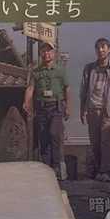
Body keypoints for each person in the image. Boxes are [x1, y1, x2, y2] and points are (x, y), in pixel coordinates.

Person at [24, 43, 69, 179]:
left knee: (54, 134)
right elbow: (30, 88)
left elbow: (67, 89)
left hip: (56, 107)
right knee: (43, 138)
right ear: (40, 54)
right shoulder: (36, 71)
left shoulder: (60, 70)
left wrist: (68, 107)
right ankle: (47, 170)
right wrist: (27, 102)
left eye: (49, 51)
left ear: (53, 53)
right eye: (43, 51)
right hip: (41, 108)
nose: (46, 54)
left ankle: (57, 168)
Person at [81, 37, 110, 182]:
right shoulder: (89, 68)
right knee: (95, 142)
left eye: (103, 47)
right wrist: (82, 109)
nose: (100, 50)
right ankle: (99, 170)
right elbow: (83, 90)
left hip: (108, 110)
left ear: (109, 50)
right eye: (98, 47)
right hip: (92, 108)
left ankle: (105, 171)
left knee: (105, 141)